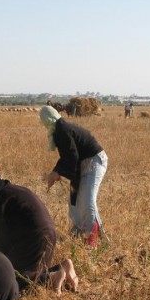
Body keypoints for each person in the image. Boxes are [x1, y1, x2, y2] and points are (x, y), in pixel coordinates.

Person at [0, 171, 78, 294]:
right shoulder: (18, 189)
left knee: (13, 280)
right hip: (49, 232)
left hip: (32, 236)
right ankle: (62, 267)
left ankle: (52, 278)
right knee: (36, 272)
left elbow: (1, 238)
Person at [39, 106, 108, 247]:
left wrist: (57, 173)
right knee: (74, 199)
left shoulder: (62, 131)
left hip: (94, 162)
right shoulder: (59, 130)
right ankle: (79, 231)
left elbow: (72, 156)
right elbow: (67, 157)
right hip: (83, 163)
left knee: (87, 200)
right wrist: (56, 171)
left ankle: (91, 236)